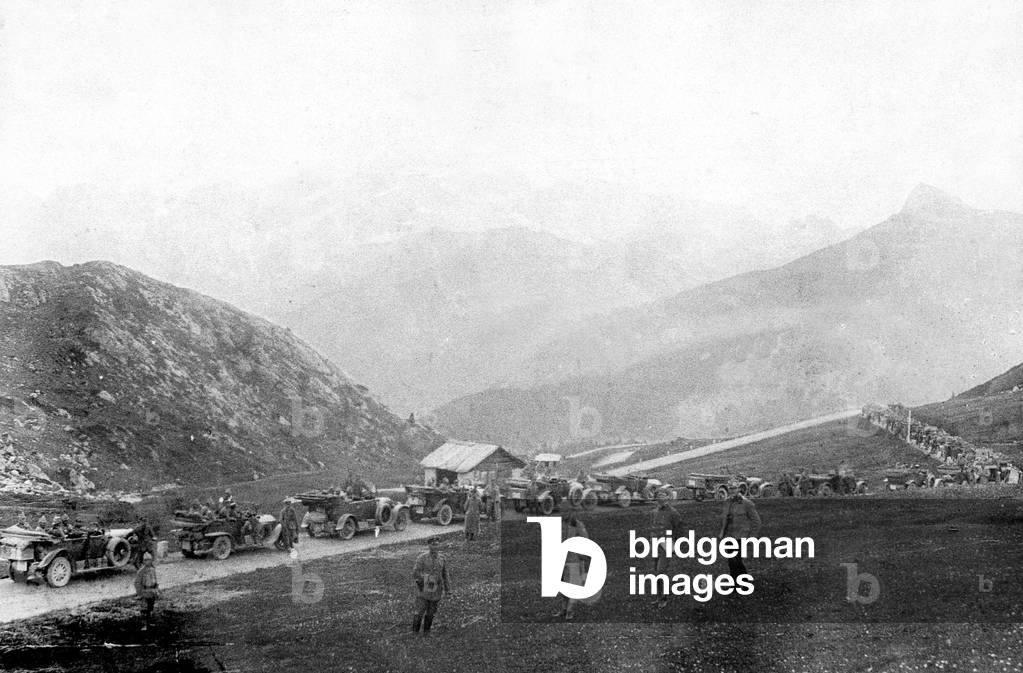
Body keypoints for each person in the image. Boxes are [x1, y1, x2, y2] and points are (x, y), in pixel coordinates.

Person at [718, 482, 762, 579]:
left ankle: (744, 581)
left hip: (741, 536)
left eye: (734, 488)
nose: (732, 490)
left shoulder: (747, 503)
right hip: (729, 536)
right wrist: (722, 532)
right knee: (731, 561)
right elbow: (724, 518)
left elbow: (757, 521)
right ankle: (735, 583)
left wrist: (752, 537)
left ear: (739, 489)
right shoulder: (727, 502)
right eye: (730, 488)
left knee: (735, 560)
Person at [650, 490, 684, 608]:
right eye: (658, 495)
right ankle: (659, 597)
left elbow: (679, 528)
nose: (660, 497)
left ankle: (663, 598)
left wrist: (675, 543)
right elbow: (653, 527)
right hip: (656, 545)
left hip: (667, 545)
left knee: (660, 572)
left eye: (663, 495)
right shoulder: (654, 512)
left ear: (667, 498)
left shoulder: (673, 512)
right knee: (656, 572)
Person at [412, 537, 450, 635]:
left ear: (439, 545)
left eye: (437, 544)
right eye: (432, 545)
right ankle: (414, 633)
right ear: (429, 546)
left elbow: (445, 575)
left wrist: (448, 589)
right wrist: (427, 579)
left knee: (431, 613)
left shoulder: (442, 558)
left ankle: (426, 632)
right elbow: (416, 572)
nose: (435, 547)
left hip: (436, 591)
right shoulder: (422, 558)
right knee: (419, 612)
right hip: (423, 590)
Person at [555, 514, 590, 620]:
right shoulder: (561, 524)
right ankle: (564, 609)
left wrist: (581, 556)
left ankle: (570, 611)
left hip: (573, 561)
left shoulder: (578, 525)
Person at [134, 552, 159, 631]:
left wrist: (157, 589)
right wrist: (140, 593)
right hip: (144, 591)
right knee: (144, 609)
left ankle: (149, 622)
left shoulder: (152, 569)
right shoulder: (141, 571)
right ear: (144, 561)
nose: (148, 562)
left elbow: (155, 580)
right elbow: (137, 583)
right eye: (146, 560)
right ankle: (144, 624)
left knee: (150, 608)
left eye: (149, 560)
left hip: (152, 591)